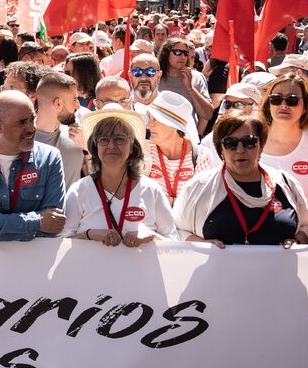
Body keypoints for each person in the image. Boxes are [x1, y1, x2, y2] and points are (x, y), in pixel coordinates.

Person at [174, 111, 308, 247]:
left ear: (261, 145)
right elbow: (176, 231)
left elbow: (307, 226)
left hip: (279, 270)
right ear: (220, 148)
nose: (240, 149)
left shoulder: (287, 184)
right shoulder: (198, 186)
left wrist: (300, 238)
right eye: (230, 143)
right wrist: (201, 245)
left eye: (249, 141)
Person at [61, 105, 176, 246]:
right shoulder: (79, 190)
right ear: (95, 145)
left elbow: (173, 240)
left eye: (119, 139)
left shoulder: (152, 190)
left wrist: (151, 237)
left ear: (132, 145)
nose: (111, 145)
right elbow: (62, 243)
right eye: (103, 139)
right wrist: (90, 235)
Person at [0, 91, 66, 242]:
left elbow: (54, 224)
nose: (31, 128)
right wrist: (38, 222)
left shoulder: (50, 158)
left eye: (32, 119)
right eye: (22, 122)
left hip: (37, 259)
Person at [258, 73, 308, 215]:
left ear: (305, 106)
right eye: (276, 99)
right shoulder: (251, 141)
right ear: (268, 104)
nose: (283, 105)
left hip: (305, 232)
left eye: (292, 100)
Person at [145, 92, 217, 205]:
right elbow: (141, 197)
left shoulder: (201, 156)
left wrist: (167, 201)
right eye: (149, 118)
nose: (148, 125)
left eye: (155, 119)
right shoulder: (144, 151)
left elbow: (199, 202)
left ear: (174, 127)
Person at [33, 72, 84, 188]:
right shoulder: (21, 141)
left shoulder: (77, 135)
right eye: (74, 99)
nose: (78, 106)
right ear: (58, 103)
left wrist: (87, 149)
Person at [158, 38, 214, 129]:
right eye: (177, 52)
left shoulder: (196, 77)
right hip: (159, 135)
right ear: (166, 53)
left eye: (185, 53)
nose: (183, 57)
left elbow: (207, 114)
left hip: (187, 138)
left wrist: (190, 88)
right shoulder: (156, 77)